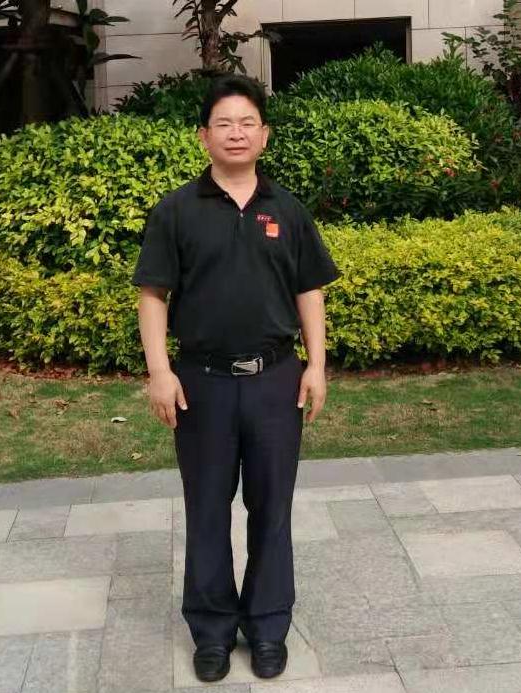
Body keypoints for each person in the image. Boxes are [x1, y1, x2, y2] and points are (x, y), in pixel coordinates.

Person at [132, 74, 340, 683]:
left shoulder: (287, 209)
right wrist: (160, 371)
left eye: (247, 122)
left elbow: (309, 289)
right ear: (204, 136)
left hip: (276, 380)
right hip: (202, 384)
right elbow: (152, 294)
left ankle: (268, 625)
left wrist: (316, 365)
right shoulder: (176, 210)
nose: (236, 133)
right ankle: (212, 630)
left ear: (264, 135)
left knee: (272, 507)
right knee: (206, 508)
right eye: (224, 123)